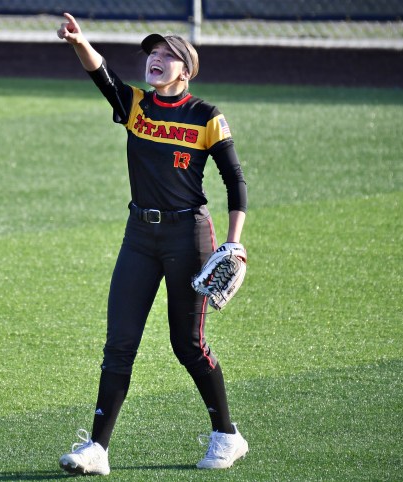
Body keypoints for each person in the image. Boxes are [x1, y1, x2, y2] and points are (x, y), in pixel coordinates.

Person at [56, 12, 249, 475]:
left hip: (190, 236)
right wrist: (79, 41)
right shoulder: (137, 105)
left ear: (186, 69)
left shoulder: (207, 117)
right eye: (152, 54)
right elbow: (101, 74)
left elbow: (235, 181)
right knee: (119, 342)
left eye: (167, 56)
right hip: (139, 234)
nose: (155, 61)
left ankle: (227, 435)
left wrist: (235, 244)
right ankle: (97, 449)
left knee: (188, 344)